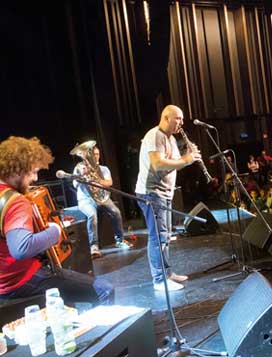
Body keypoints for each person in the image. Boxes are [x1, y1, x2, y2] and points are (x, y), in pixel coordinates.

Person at [0, 136, 113, 305]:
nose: (35, 179)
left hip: (3, 282)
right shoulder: (16, 201)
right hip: (20, 280)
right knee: (104, 289)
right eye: (33, 172)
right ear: (18, 170)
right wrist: (54, 231)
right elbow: (22, 248)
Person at [135, 105, 201, 292]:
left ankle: (167, 273)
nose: (181, 123)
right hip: (151, 193)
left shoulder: (171, 139)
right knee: (158, 237)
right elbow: (158, 164)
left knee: (166, 237)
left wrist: (189, 154)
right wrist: (187, 159)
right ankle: (159, 280)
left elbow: (175, 164)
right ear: (166, 117)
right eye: (177, 119)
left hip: (164, 193)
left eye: (182, 119)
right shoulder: (154, 135)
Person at [72, 145, 133, 258]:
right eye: (93, 154)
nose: (96, 157)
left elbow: (109, 183)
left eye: (97, 154)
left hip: (101, 198)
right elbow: (75, 185)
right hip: (85, 199)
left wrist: (97, 180)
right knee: (92, 215)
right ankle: (93, 247)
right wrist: (81, 176)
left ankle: (120, 240)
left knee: (116, 212)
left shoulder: (103, 169)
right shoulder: (79, 168)